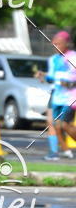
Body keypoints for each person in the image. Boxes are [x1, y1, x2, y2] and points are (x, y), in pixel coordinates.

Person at [41, 31, 74, 161]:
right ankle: (55, 152)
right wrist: (43, 77)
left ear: (66, 44)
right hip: (55, 94)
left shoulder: (72, 57)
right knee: (52, 123)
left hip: (69, 96)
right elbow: (51, 77)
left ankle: (64, 150)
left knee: (64, 125)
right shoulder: (53, 59)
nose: (55, 47)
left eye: (58, 44)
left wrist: (67, 83)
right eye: (54, 44)